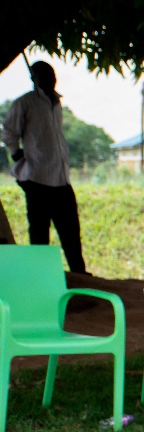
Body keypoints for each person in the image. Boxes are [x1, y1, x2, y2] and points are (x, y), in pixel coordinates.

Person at [2, 61, 87, 273]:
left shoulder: (56, 103)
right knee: (39, 234)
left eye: (53, 74)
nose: (52, 79)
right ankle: (41, 275)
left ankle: (80, 274)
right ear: (34, 79)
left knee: (70, 231)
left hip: (60, 179)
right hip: (37, 179)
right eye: (46, 75)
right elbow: (9, 133)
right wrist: (17, 154)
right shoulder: (25, 103)